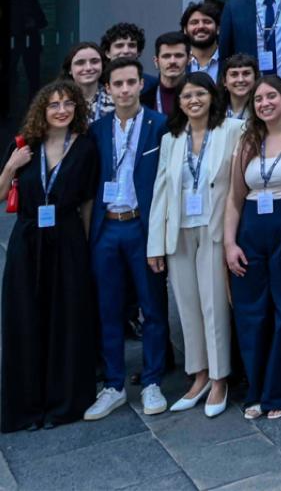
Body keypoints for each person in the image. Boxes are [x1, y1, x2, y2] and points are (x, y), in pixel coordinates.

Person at [2, 81, 101, 432]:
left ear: (77, 108)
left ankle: (62, 403)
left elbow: (88, 202)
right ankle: (27, 406)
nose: (61, 110)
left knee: (66, 320)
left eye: (68, 103)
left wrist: (87, 247)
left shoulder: (87, 147)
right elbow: (1, 194)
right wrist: (12, 166)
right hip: (27, 241)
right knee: (25, 319)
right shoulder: (25, 146)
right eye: (54, 104)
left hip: (68, 238)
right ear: (42, 110)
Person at [147, 72, 242, 416]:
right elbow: (160, 192)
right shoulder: (172, 138)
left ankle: (220, 380)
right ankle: (198, 375)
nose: (193, 101)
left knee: (214, 304)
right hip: (179, 231)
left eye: (200, 94)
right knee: (187, 305)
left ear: (212, 97)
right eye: (186, 96)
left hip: (214, 229)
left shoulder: (231, 129)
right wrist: (154, 244)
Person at [86, 57, 171, 421]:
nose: (124, 90)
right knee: (108, 308)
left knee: (152, 306)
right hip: (108, 227)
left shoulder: (161, 126)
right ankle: (114, 386)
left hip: (142, 226)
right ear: (107, 89)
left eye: (130, 82)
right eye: (117, 84)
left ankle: (152, 380)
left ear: (141, 85)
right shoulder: (98, 129)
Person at [224, 75, 281, 421]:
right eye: (258, 99)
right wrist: (229, 243)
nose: (264, 104)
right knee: (251, 313)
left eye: (270, 96)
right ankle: (258, 391)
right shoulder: (246, 141)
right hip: (250, 233)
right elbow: (233, 199)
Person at [145, 32, 190, 116]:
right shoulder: (144, 101)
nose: (172, 61)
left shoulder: (200, 96)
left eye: (179, 55)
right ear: (156, 62)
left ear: (189, 60)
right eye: (166, 56)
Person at [64, 41, 110, 122]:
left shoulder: (116, 98)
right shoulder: (57, 100)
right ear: (69, 70)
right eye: (80, 63)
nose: (88, 68)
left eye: (94, 61)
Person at [222, 54, 258, 122]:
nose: (240, 80)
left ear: (255, 78)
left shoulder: (261, 110)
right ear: (224, 81)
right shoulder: (214, 111)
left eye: (246, 73)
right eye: (234, 74)